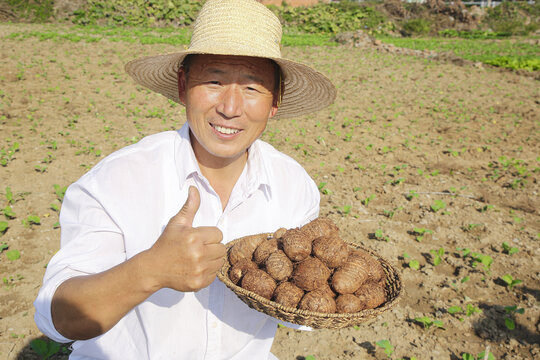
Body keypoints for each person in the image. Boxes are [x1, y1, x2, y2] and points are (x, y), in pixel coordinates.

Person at [34, 0, 336, 358]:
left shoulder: (294, 186)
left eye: (252, 88)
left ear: (275, 101)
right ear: (182, 86)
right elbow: (57, 319)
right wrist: (149, 270)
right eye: (214, 81)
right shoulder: (117, 180)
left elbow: (299, 308)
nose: (230, 107)